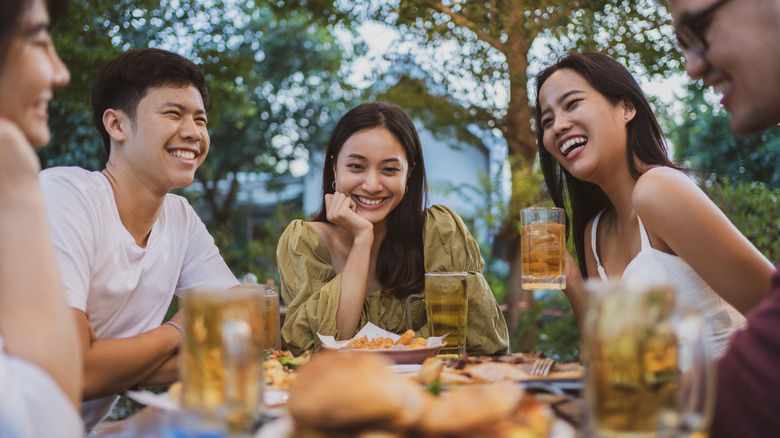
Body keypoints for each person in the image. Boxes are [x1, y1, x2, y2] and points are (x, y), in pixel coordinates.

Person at [39, 48, 239, 431]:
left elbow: (242, 331)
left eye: (200, 119)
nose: (194, 132)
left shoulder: (180, 217)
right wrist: (182, 327)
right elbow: (73, 372)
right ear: (117, 125)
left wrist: (105, 363)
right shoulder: (65, 196)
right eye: (173, 113)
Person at [534, 51, 774, 356]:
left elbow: (771, 310)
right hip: (658, 404)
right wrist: (569, 279)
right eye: (547, 120)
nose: (558, 126)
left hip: (731, 398)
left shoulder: (658, 189)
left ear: (626, 108)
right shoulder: (595, 233)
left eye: (572, 104)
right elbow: (609, 358)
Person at [277, 102, 509, 355]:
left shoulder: (439, 232)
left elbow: (478, 339)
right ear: (334, 167)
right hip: (341, 392)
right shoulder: (306, 242)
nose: (372, 185)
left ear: (409, 172)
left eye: (389, 169)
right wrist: (362, 238)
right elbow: (321, 347)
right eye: (356, 166)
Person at [669, 0, 780, 435]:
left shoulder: (658, 189)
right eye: (546, 118)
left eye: (700, 29)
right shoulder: (590, 228)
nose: (692, 67)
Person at [0, 0, 83, 436]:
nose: (60, 72)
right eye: (39, 41)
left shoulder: (180, 214)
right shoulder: (63, 191)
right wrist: (17, 186)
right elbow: (49, 424)